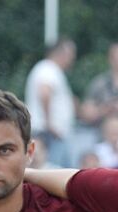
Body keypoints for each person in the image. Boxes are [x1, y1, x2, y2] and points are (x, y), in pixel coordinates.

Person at [25, 39, 78, 167]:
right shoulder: (48, 68)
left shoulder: (49, 69)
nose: (73, 59)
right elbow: (44, 92)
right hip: (50, 134)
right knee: (53, 173)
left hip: (52, 133)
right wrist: (50, 124)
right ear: (62, 53)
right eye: (71, 54)